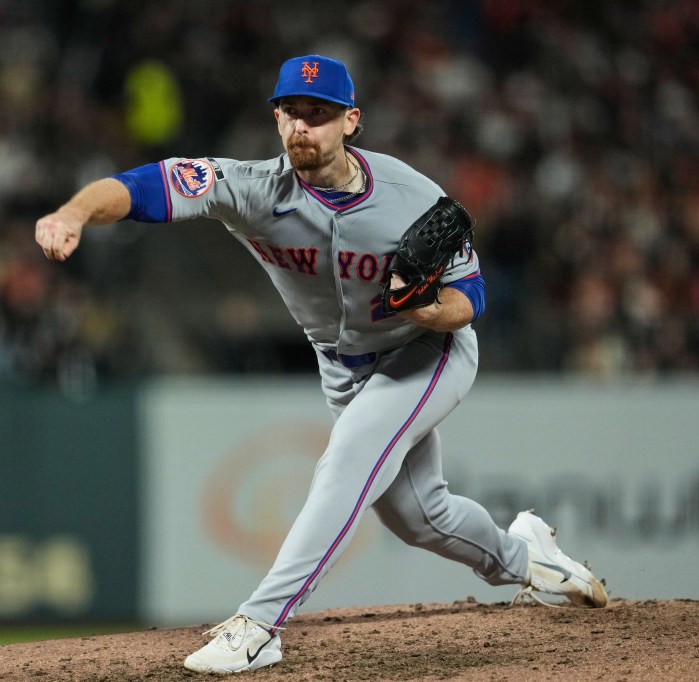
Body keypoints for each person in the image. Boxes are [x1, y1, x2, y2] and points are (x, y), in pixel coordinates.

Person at [35, 54, 608, 675]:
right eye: (291, 112)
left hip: (425, 353)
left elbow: (472, 297)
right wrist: (73, 214)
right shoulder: (251, 188)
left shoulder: (413, 196)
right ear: (276, 119)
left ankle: (261, 624)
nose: (302, 125)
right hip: (342, 365)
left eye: (320, 114)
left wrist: (425, 313)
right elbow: (145, 186)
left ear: (351, 121)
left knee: (348, 456)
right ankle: (527, 558)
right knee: (421, 518)